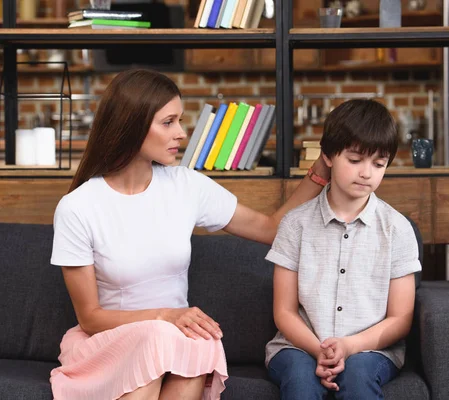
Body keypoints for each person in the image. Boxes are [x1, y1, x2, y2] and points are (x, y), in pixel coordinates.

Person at [49, 68, 330, 400]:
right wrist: (166, 316)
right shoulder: (78, 207)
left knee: (198, 342)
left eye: (179, 121)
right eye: (168, 122)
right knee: (163, 341)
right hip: (108, 344)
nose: (181, 133)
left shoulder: (186, 186)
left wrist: (320, 172)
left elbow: (270, 229)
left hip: (178, 341)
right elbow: (91, 318)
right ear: (132, 125)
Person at [264, 99, 422, 399]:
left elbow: (401, 318)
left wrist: (349, 347)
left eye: (378, 164)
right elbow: (283, 311)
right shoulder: (295, 224)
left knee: (359, 377)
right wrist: (319, 349)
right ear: (328, 155)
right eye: (355, 160)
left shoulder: (397, 229)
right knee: (300, 381)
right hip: (299, 347)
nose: (366, 173)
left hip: (370, 350)